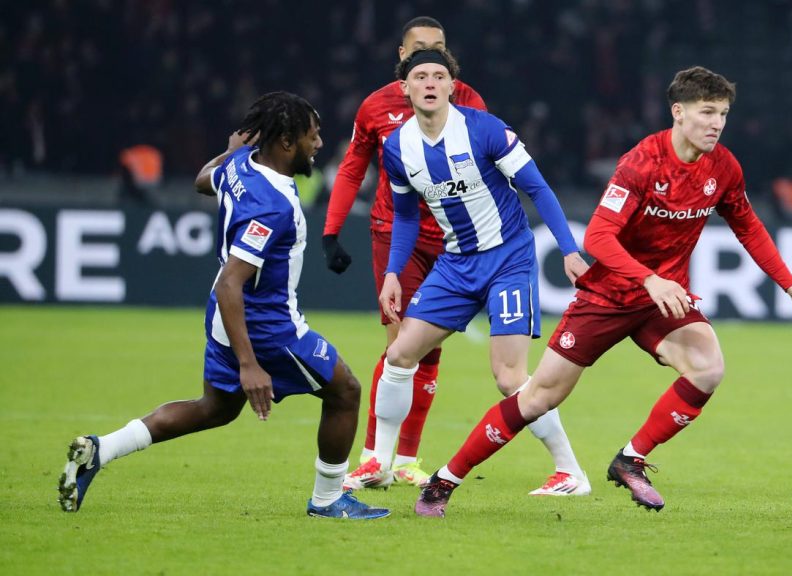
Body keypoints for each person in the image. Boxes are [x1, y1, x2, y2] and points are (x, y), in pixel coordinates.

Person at [414, 66, 792, 518]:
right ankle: (443, 481)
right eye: (707, 112)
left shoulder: (723, 167)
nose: (716, 123)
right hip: (608, 297)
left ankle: (630, 460)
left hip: (660, 300)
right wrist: (648, 277)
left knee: (707, 367)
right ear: (678, 112)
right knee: (537, 398)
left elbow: (748, 227)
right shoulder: (641, 163)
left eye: (723, 114)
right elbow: (599, 237)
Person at [57, 92, 389, 520]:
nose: (320, 143)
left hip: (225, 324)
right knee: (345, 391)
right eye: (313, 135)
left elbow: (202, 180)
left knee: (213, 409)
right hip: (267, 326)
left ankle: (101, 450)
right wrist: (250, 365)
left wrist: (230, 152)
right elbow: (230, 283)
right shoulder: (272, 207)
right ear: (286, 143)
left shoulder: (240, 164)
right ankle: (328, 500)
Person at [367, 48, 592, 497]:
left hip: (507, 258)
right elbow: (407, 216)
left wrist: (569, 250)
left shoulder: (484, 130)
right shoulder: (397, 148)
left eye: (438, 76)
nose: (429, 83)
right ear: (405, 87)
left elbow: (537, 188)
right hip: (455, 264)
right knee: (398, 357)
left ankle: (570, 471)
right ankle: (380, 465)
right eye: (420, 76)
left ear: (452, 86)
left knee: (510, 377)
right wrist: (393, 272)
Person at [322, 16, 488, 490]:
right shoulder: (375, 107)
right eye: (420, 50)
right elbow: (353, 170)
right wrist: (332, 232)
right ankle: (375, 458)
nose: (430, 60)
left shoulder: (469, 101)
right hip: (395, 235)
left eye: (439, 50)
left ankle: (405, 460)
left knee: (426, 350)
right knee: (401, 348)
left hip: (455, 241)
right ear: (401, 56)